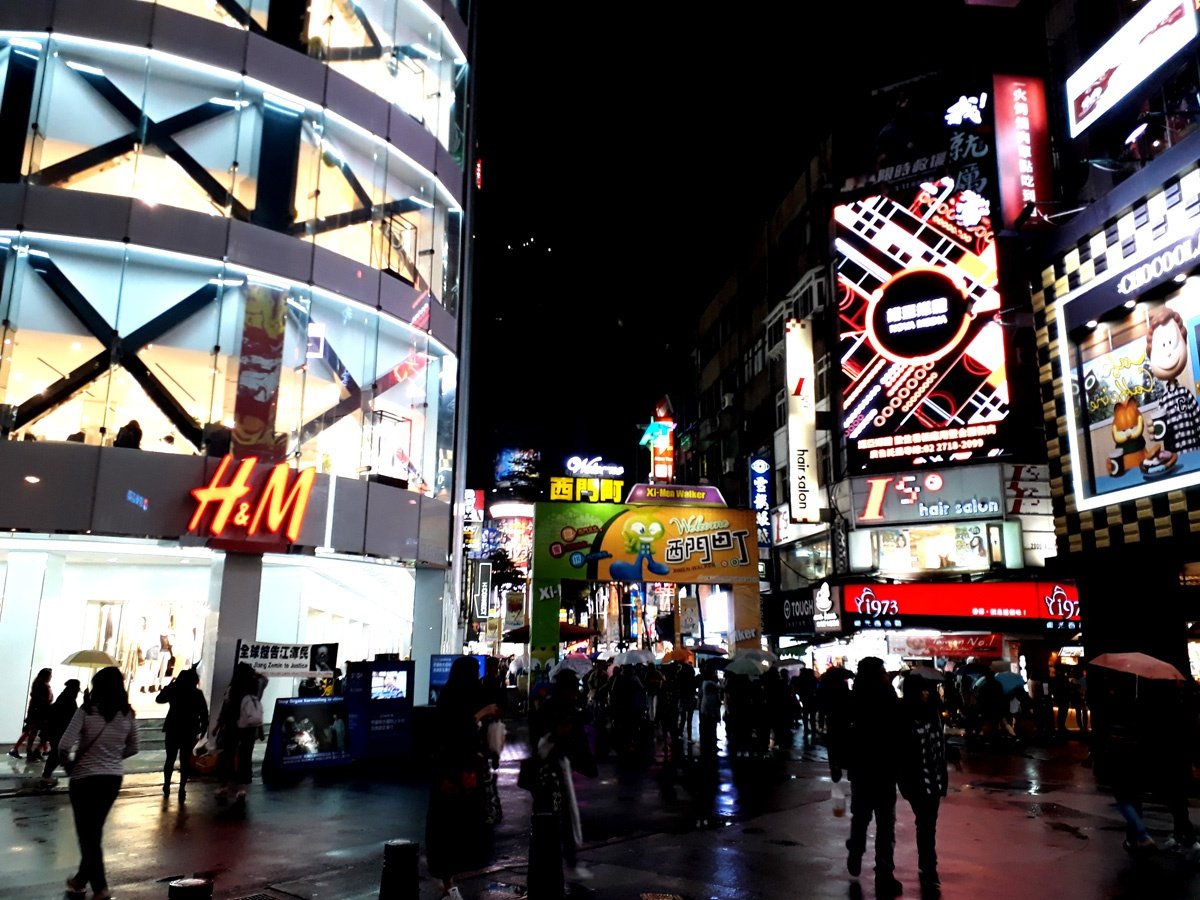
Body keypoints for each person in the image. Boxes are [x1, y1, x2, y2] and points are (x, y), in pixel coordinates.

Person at [425, 655, 501, 900]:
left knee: (454, 828)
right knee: (450, 828)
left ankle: (449, 881)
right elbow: (456, 730)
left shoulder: (455, 693)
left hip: (460, 769)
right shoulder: (454, 698)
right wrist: (482, 713)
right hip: (455, 769)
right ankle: (448, 883)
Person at [59, 666, 139, 900]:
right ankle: (79, 881)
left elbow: (64, 746)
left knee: (89, 836)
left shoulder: (86, 711)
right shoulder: (128, 714)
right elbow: (134, 747)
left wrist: (68, 764)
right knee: (93, 833)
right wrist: (113, 758)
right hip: (112, 779)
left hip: (84, 779)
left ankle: (101, 889)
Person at [529, 669, 598, 883]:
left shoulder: (561, 708)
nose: (575, 692)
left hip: (556, 770)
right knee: (555, 816)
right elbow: (540, 740)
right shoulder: (554, 709)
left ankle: (562, 861)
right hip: (551, 771)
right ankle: (557, 863)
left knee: (559, 816)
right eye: (572, 688)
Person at [845, 657, 903, 898]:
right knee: (885, 824)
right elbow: (898, 731)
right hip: (884, 769)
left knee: (861, 817)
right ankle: (884, 872)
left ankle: (856, 850)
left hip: (861, 769)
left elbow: (844, 733)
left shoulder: (854, 698)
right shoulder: (888, 697)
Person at [898, 672, 949, 895]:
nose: (926, 693)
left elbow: (939, 744)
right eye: (922, 690)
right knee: (926, 823)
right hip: (918, 780)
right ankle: (929, 868)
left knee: (928, 824)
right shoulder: (904, 716)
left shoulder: (933, 712)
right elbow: (902, 752)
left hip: (934, 779)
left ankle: (928, 866)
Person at [213, 661, 266, 807]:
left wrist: (217, 726)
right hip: (249, 729)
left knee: (227, 756)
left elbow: (225, 708)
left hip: (232, 727)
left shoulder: (233, 688)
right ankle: (241, 789)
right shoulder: (254, 687)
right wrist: (258, 675)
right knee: (245, 758)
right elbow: (264, 682)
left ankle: (224, 786)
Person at [156, 665, 209, 800]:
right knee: (185, 760)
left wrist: (169, 686)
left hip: (173, 727)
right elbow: (204, 713)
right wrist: (203, 729)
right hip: (189, 729)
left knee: (170, 759)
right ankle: (182, 788)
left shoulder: (174, 690)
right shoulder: (197, 693)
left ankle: (167, 785)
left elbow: (159, 699)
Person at [38, 678, 82, 786]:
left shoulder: (64, 696)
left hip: (55, 730)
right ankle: (46, 776)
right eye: (77, 690)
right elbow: (72, 717)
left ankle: (47, 775)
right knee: (56, 754)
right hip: (58, 731)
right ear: (75, 689)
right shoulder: (69, 700)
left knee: (56, 754)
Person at [10, 667, 54, 761]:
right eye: (50, 675)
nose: (51, 677)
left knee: (32, 732)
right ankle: (33, 752)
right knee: (37, 732)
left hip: (36, 712)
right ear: (46, 676)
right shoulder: (41, 686)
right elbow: (43, 700)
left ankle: (37, 750)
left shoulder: (40, 684)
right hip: (38, 713)